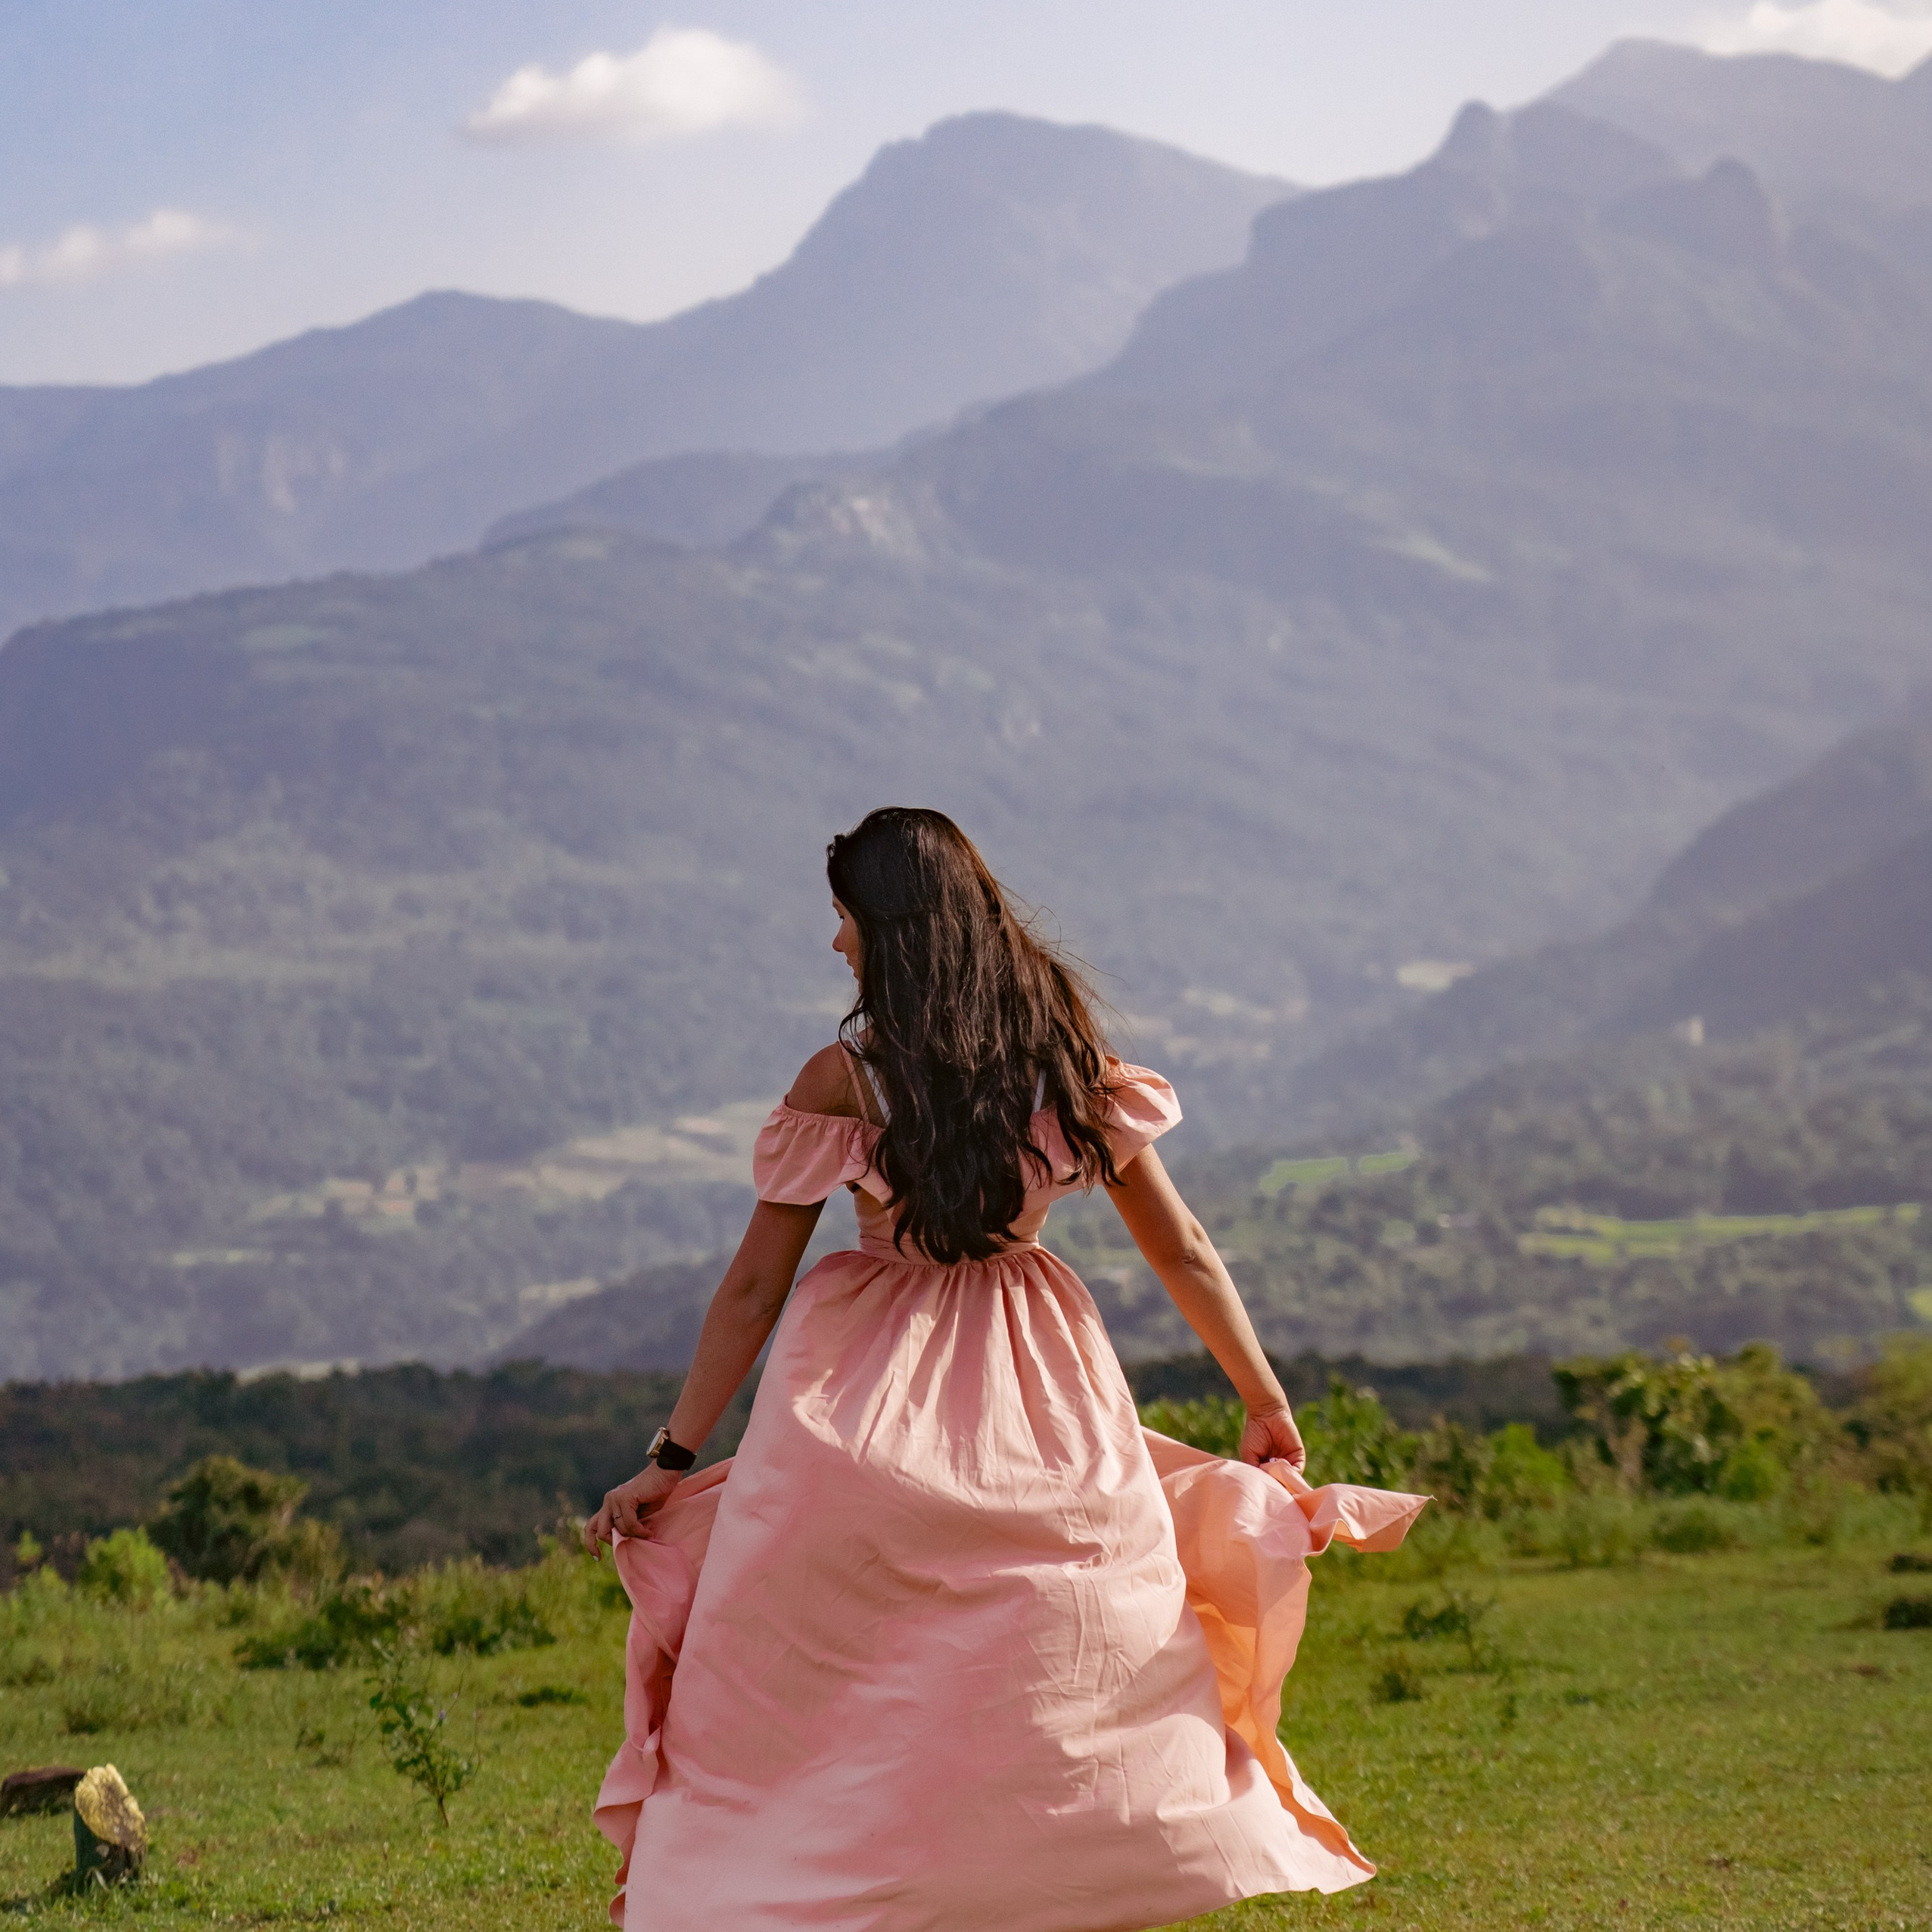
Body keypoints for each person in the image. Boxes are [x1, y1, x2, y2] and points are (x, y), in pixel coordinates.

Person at [583, 807, 1424, 1932]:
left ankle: (815, 1875)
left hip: (863, 1379)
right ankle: (1057, 1858)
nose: (835, 944)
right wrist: (1262, 1399)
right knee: (1062, 1627)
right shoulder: (1064, 1055)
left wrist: (671, 1455)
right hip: (1041, 1371)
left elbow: (751, 1290)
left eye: (844, 920)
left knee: (811, 1655)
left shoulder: (846, 1077)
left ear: (892, 931)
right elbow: (1182, 1245)